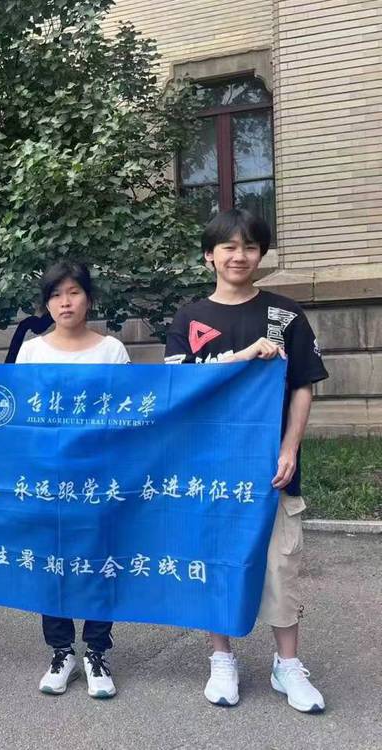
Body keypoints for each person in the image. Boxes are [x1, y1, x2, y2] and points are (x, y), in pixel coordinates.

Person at [165, 208, 328, 713]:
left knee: (281, 565)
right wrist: (243, 356)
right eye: (229, 247)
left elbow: (302, 386)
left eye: (250, 247)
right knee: (216, 561)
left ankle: (288, 665)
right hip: (209, 467)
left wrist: (289, 447)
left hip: (271, 469)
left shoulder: (285, 315)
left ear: (261, 255)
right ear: (209, 256)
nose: (239, 256)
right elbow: (180, 388)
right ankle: (221, 659)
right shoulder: (189, 318)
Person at [15, 261, 130, 699]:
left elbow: (126, 413)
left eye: (74, 292)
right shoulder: (32, 353)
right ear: (46, 304)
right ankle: (61, 651)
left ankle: (97, 652)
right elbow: (21, 419)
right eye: (56, 295)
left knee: (100, 562)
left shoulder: (111, 351)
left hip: (99, 477)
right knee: (53, 564)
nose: (65, 302)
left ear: (89, 298)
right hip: (48, 478)